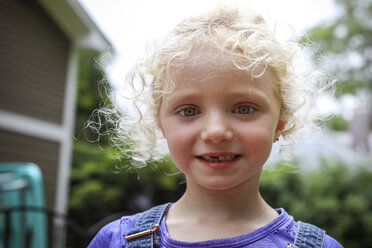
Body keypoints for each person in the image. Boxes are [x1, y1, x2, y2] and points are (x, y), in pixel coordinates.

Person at [88, 7, 343, 248]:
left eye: (244, 108)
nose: (216, 131)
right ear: (160, 124)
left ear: (281, 123)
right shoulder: (116, 241)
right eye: (189, 111)